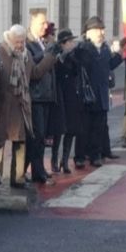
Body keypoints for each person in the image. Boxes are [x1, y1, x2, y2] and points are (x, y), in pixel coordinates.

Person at [0, 24, 57, 188]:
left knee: (20, 141)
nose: (20, 45)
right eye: (17, 42)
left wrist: (50, 57)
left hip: (21, 104)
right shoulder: (0, 53)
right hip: (4, 104)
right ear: (10, 39)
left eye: (22, 42)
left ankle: (18, 178)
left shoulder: (26, 54)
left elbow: (34, 73)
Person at [72, 17, 122, 166]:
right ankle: (80, 157)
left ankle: (96, 155)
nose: (101, 33)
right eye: (97, 30)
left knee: (98, 128)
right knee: (83, 128)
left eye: (102, 30)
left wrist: (119, 55)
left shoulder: (105, 49)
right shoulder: (83, 48)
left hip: (102, 94)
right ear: (88, 33)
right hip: (87, 94)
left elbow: (109, 65)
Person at [26, 14, 60, 184]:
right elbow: (34, 68)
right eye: (42, 23)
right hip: (36, 96)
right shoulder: (28, 43)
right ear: (32, 23)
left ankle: (39, 170)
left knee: (43, 136)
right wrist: (49, 53)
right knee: (37, 136)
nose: (45, 26)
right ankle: (37, 171)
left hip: (46, 95)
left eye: (46, 23)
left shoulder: (42, 42)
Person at [54, 29, 85, 172]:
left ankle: (64, 160)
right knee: (58, 130)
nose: (72, 44)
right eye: (70, 41)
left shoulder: (73, 57)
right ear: (63, 44)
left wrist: (75, 56)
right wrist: (62, 57)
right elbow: (57, 72)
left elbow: (77, 70)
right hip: (60, 96)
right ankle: (55, 159)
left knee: (71, 130)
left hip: (72, 96)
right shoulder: (56, 56)